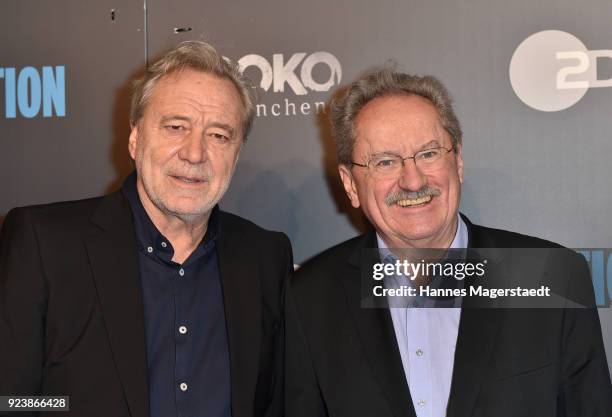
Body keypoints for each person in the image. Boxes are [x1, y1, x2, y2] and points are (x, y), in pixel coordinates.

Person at [285, 67, 611, 417]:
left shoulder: (551, 279)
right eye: (385, 161)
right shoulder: (310, 298)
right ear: (350, 184)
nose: (412, 181)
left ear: (458, 161)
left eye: (428, 154)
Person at [0, 41, 292, 417]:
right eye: (175, 127)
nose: (194, 153)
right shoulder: (44, 244)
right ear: (135, 139)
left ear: (236, 155)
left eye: (219, 135)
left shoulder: (266, 257)